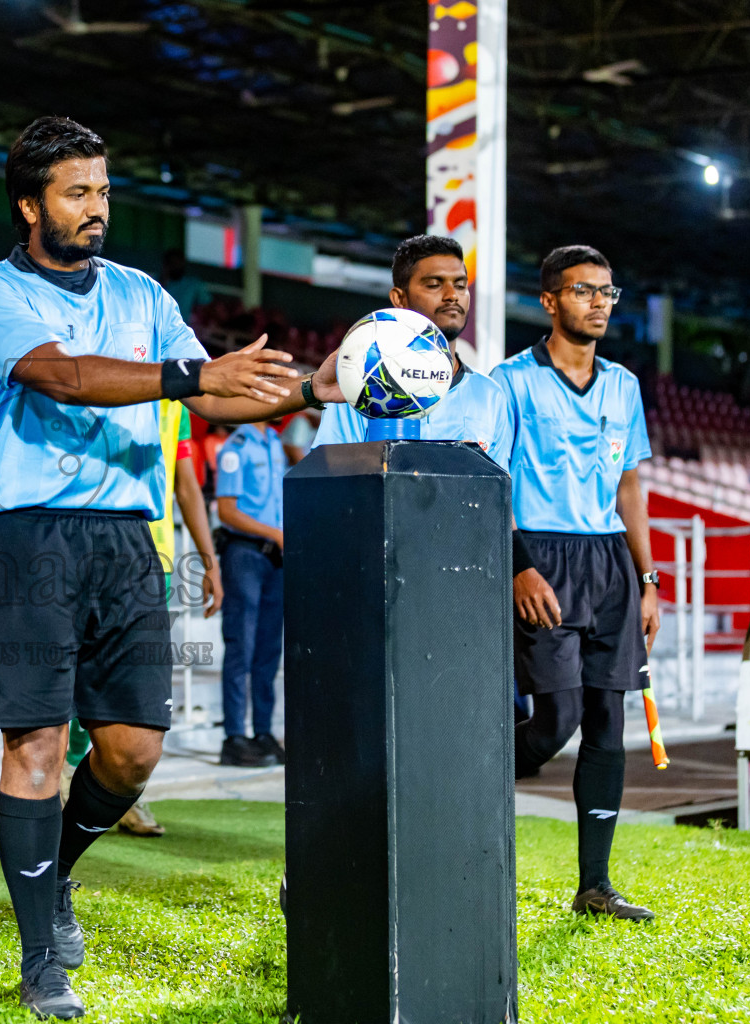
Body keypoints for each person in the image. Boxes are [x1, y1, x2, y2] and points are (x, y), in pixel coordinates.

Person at [0, 116, 341, 1019]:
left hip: (129, 538)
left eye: (103, 191)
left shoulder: (142, 293)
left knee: (131, 754)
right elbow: (65, 378)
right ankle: (38, 954)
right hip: (28, 533)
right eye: (77, 192)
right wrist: (187, 378)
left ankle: (55, 877)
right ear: (30, 203)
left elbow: (219, 397)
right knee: (37, 744)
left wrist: (322, 385)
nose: (97, 208)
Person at [492, 245, 660, 922]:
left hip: (611, 564)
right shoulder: (510, 382)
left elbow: (631, 489)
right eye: (584, 291)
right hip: (542, 561)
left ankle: (595, 885)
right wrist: (518, 565)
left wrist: (647, 580)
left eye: (608, 293)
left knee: (606, 724)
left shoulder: (624, 385)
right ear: (550, 301)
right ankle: (459, 774)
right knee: (554, 718)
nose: (599, 303)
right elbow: (494, 484)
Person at [62, 400, 223, 835]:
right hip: (93, 547)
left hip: (157, 561)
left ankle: (124, 787)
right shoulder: (110, 374)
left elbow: (185, 480)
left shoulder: (180, 399)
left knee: (134, 690)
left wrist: (209, 560)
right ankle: (71, 774)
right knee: (80, 673)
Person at [310, 234, 514, 467]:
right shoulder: (364, 382)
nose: (452, 295)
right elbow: (330, 472)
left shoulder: (489, 394)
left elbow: (495, 494)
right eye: (434, 285)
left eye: (460, 285)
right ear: (400, 298)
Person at [214, 418, 286, 768]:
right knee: (241, 646)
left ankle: (262, 731)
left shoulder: (274, 441)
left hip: (275, 555)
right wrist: (273, 533)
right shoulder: (236, 446)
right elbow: (226, 510)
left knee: (269, 650)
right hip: (245, 553)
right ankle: (233, 737)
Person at [161, 249, 211, 319]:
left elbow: (206, 306)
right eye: (172, 263)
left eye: (178, 263)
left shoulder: (193, 284)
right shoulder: (156, 282)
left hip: (186, 326)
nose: (176, 266)